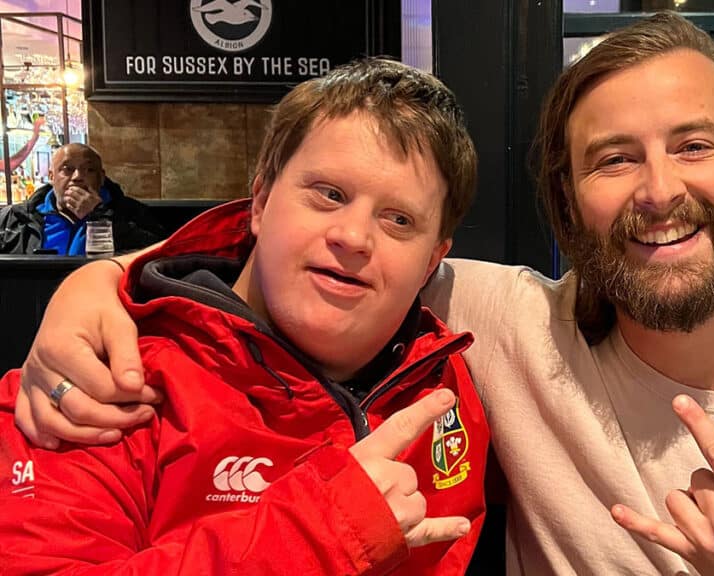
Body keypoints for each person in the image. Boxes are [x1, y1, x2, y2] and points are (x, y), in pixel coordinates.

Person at [10, 13, 714, 576]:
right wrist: (107, 281)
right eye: (614, 159)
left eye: (692, 145)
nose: (658, 189)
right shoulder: (507, 330)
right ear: (569, 197)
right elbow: (277, 260)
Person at [0, 57, 489, 574]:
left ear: (434, 258)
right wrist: (319, 533)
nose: (353, 237)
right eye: (329, 194)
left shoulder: (450, 376)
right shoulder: (93, 377)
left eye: (399, 219)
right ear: (259, 202)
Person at [0, 143, 165, 255]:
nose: (78, 177)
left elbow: (159, 253)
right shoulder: (16, 217)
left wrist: (99, 215)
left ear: (101, 178)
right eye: (67, 169)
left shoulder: (131, 212)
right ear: (51, 176)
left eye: (89, 170)